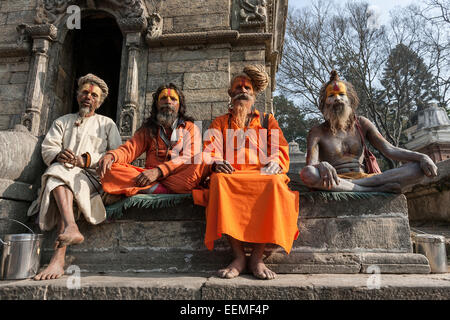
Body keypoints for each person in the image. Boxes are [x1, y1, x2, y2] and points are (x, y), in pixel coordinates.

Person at [193, 65, 299, 280]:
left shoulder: (268, 120)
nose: (243, 90)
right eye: (238, 87)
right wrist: (216, 163)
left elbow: (280, 148)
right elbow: (209, 150)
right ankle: (239, 256)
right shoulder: (220, 122)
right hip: (232, 176)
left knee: (274, 184)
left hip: (262, 175)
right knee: (219, 181)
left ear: (254, 93)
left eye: (247, 87)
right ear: (231, 94)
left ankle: (257, 257)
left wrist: (276, 162)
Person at [28, 74, 122, 280]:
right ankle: (67, 236)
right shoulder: (62, 122)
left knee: (57, 176)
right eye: (85, 93)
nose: (89, 97)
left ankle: (59, 255)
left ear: (99, 101)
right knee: (58, 174)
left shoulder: (107, 124)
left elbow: (116, 154)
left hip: (93, 178)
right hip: (64, 175)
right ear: (78, 96)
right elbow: (48, 148)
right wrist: (57, 155)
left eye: (94, 95)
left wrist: (86, 160)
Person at [300, 70, 438, 192]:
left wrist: (422, 157)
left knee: (418, 169)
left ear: (350, 100)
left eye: (341, 94)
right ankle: (365, 189)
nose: (337, 98)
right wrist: (322, 165)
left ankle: (357, 187)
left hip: (360, 179)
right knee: (308, 173)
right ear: (324, 103)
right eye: (331, 96)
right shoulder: (316, 132)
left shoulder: (362, 123)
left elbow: (389, 150)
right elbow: (310, 166)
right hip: (336, 180)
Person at [98, 83, 208, 196]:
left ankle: (151, 188)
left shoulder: (190, 127)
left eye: (173, 99)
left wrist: (159, 171)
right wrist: (111, 156)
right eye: (164, 98)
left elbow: (189, 156)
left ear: (179, 105)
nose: (168, 101)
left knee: (204, 158)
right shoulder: (148, 129)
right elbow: (129, 149)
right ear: (157, 104)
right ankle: (159, 189)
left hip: (178, 177)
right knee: (110, 168)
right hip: (149, 178)